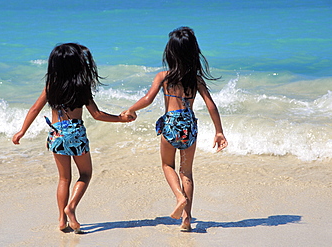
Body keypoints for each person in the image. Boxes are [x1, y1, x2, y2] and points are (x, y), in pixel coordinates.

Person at [12, 43, 134, 234]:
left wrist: (22, 131)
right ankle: (72, 207)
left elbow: (35, 109)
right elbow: (97, 114)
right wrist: (120, 119)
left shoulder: (51, 86)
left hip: (56, 134)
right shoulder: (81, 87)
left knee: (63, 178)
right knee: (85, 174)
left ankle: (61, 219)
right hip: (76, 133)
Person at [123, 27, 228, 232]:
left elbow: (148, 99)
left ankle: (179, 197)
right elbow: (211, 106)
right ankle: (186, 218)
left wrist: (130, 110)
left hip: (171, 124)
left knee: (167, 165)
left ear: (170, 53)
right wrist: (219, 131)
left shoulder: (164, 76)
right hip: (189, 125)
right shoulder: (196, 79)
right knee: (186, 171)